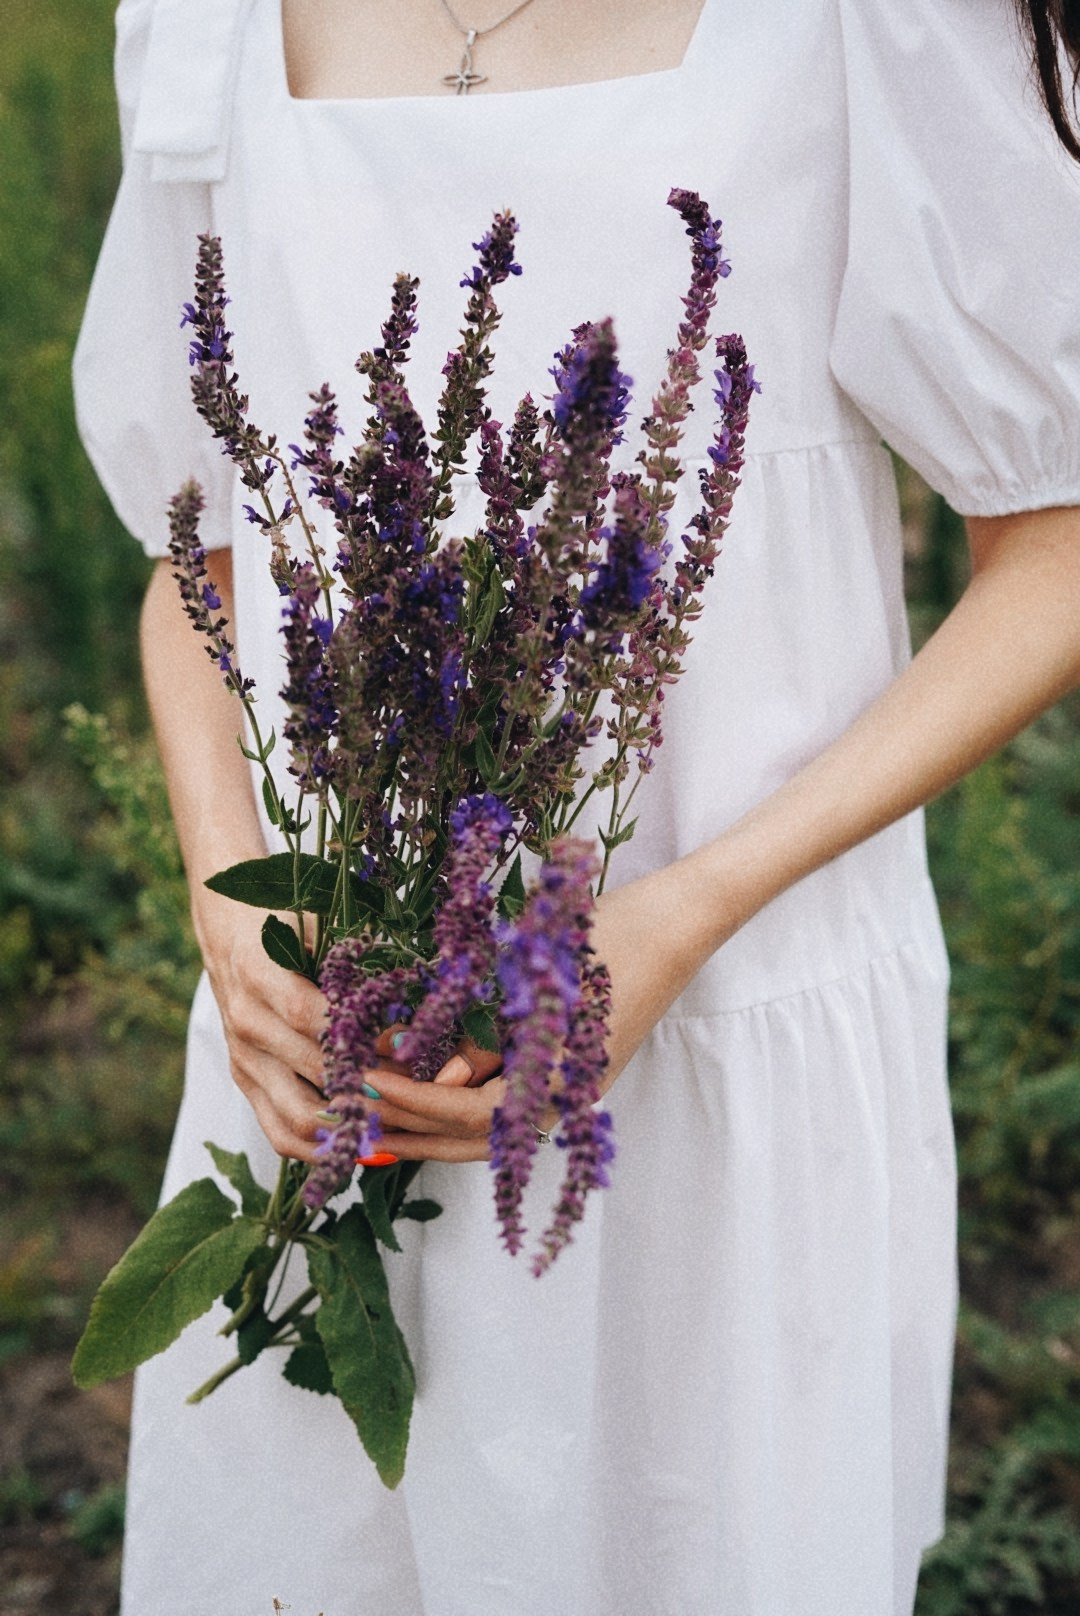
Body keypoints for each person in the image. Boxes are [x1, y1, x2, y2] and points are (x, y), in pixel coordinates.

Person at [73, 1, 1080, 1612]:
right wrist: (227, 901)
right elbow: (204, 548)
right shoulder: (208, 24)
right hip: (331, 1048)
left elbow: (1060, 539)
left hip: (719, 1006)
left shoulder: (884, 24)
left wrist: (683, 913)